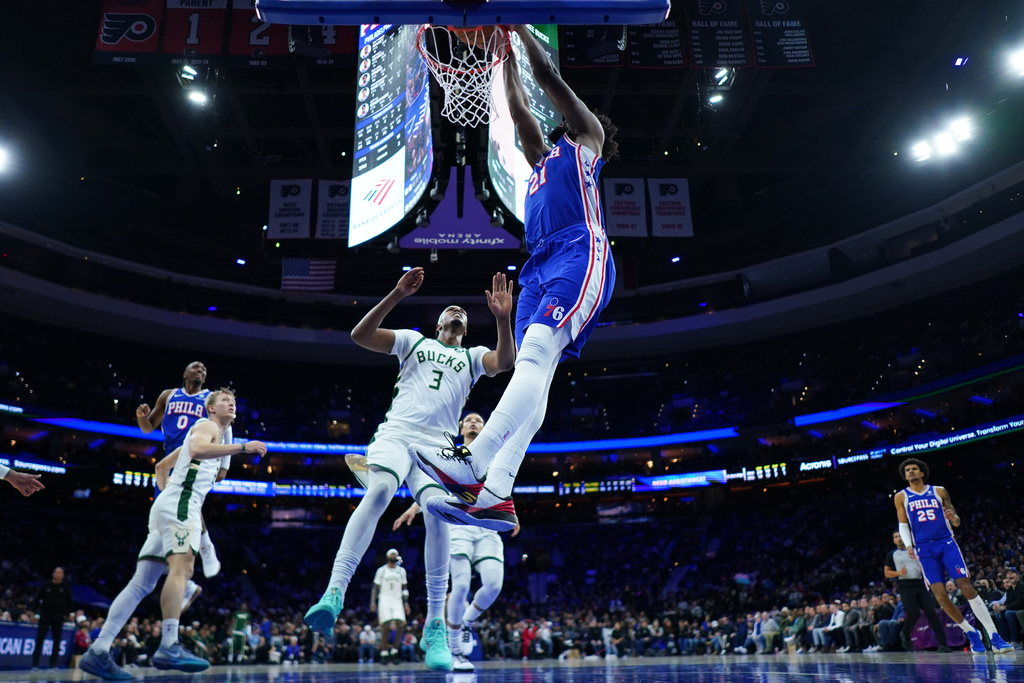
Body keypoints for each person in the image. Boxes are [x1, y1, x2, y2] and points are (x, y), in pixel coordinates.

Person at [414, 24, 617, 530]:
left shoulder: (588, 142)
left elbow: (547, 79)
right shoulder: (542, 164)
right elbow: (522, 109)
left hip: (579, 248)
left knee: (536, 356)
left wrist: (520, 31)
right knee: (534, 371)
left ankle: (473, 463)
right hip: (540, 263)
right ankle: (498, 492)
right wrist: (501, 58)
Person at [302, 268, 515, 673]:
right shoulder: (414, 340)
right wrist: (397, 293)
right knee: (380, 491)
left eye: (463, 314)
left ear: (465, 330)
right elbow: (360, 336)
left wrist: (503, 319)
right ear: (438, 324)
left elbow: (505, 362)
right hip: (398, 433)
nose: (457, 312)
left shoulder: (470, 358)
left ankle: (435, 624)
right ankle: (334, 591)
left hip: (439, 447)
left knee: (437, 512)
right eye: (450, 311)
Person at [80, 388, 266, 680]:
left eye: (234, 401)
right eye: (224, 401)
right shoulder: (207, 426)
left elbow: (161, 466)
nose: (231, 403)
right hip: (182, 505)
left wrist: (168, 494)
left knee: (140, 583)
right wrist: (243, 448)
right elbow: (197, 450)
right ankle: (169, 645)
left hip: (169, 504)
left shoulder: (207, 432)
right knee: (183, 568)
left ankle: (99, 650)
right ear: (211, 408)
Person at [393, 411, 521, 672]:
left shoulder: (495, 452)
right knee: (460, 585)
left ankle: (464, 622)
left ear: (486, 428)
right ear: (461, 428)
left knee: (494, 584)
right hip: (460, 524)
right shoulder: (451, 452)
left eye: (479, 421)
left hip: (486, 527)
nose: (474, 422)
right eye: (469, 420)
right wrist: (414, 507)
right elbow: (435, 487)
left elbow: (502, 487)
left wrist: (513, 513)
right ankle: (454, 651)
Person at [894, 457, 1013, 654]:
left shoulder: (939, 491)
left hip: (946, 543)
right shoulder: (901, 497)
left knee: (965, 586)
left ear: (922, 472)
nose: (911, 472)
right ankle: (971, 632)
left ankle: (994, 635)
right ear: (905, 475)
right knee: (940, 596)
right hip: (924, 548)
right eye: (907, 470)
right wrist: (908, 545)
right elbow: (903, 525)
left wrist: (954, 518)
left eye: (914, 469)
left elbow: (956, 520)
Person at [137, 361, 225, 579]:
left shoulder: (210, 398)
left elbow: (225, 426)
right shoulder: (168, 395)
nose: (201, 370)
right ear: (185, 373)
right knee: (163, 509)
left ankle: (204, 548)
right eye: (196, 367)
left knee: (186, 503)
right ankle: (178, 572)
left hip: (195, 455)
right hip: (169, 458)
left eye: (204, 369)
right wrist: (141, 418)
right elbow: (149, 428)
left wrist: (224, 465)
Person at [884, 530, 949, 651]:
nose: (899, 538)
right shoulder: (892, 554)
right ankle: (905, 633)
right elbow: (887, 572)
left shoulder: (915, 550)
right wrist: (899, 573)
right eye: (896, 537)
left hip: (920, 583)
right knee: (914, 613)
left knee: (931, 612)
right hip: (905, 585)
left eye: (900, 536)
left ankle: (942, 644)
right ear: (893, 540)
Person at [371, 549, 409, 665]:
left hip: (397, 599)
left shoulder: (401, 571)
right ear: (388, 557)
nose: (394, 555)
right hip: (384, 599)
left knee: (400, 624)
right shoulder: (381, 570)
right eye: (392, 554)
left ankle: (394, 650)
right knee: (385, 626)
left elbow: (405, 588)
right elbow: (375, 588)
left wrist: (406, 603)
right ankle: (384, 652)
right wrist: (373, 602)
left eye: (396, 554)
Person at [31, 566, 73, 669]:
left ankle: (52, 664)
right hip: (45, 616)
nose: (58, 574)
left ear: (63, 576)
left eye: (60, 573)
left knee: (57, 640)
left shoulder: (65, 587)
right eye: (56, 572)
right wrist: (34, 613)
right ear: (53, 574)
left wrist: (71, 614)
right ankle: (35, 664)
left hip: (58, 617)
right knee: (40, 639)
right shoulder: (46, 585)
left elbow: (69, 602)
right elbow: (37, 599)